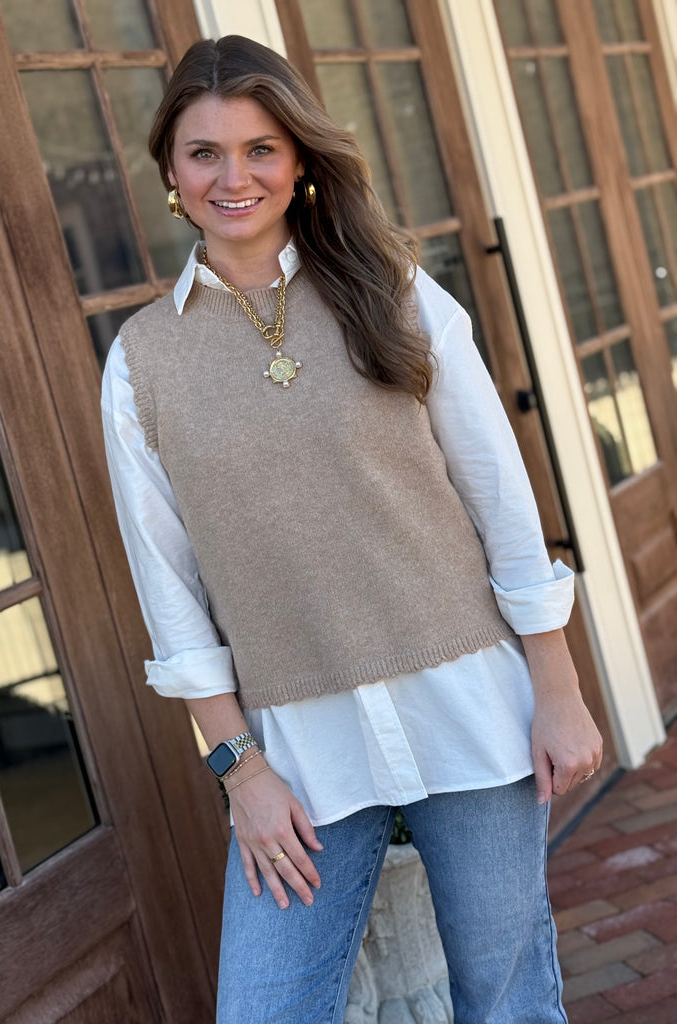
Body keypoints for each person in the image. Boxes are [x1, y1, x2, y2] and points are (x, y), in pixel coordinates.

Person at [101, 34, 603, 1024]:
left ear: (298, 161)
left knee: (507, 999)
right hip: (299, 752)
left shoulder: (394, 291)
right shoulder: (141, 363)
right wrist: (239, 770)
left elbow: (499, 496)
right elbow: (169, 589)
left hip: (470, 705)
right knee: (263, 1009)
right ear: (170, 171)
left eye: (260, 149)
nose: (234, 177)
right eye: (205, 153)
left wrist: (558, 688)